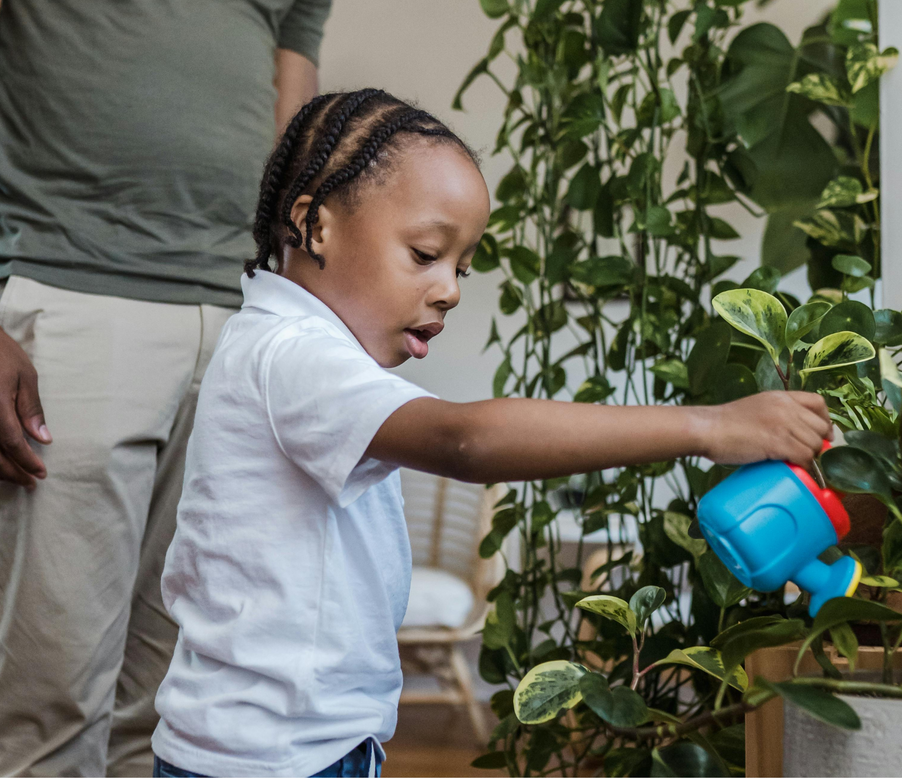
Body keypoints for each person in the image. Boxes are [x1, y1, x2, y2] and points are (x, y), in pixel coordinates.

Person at [150, 88, 834, 778]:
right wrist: (708, 427)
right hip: (268, 761)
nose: (448, 289)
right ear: (315, 227)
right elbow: (465, 440)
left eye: (461, 268)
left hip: (296, 748)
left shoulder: (294, 350)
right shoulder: (292, 355)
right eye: (424, 254)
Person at [0, 0, 333, 774]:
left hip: (243, 317)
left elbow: (290, 124)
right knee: (46, 723)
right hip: (70, 293)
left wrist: (304, 327)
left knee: (173, 718)